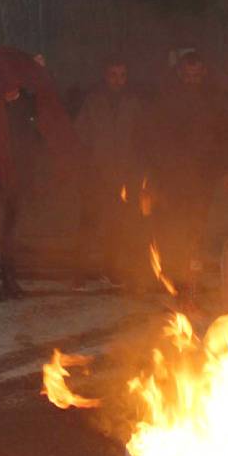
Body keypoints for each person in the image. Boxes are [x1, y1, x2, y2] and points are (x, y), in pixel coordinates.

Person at [0, 47, 78, 301]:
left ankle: (10, 278)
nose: (11, 87)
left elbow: (51, 101)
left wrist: (42, 71)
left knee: (11, 231)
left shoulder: (25, 103)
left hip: (18, 176)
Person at [143, 50, 228, 308]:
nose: (192, 79)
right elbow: (154, 139)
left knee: (196, 232)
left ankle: (191, 281)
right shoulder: (167, 99)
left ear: (203, 73)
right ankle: (178, 279)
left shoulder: (213, 100)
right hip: (173, 179)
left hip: (202, 178)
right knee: (175, 230)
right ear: (180, 73)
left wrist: (226, 171)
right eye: (187, 75)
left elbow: (224, 139)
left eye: (196, 75)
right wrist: (155, 175)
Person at [72, 55, 143, 290]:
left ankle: (110, 270)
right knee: (89, 223)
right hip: (96, 173)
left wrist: (135, 170)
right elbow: (80, 134)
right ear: (105, 76)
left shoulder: (133, 103)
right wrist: (85, 166)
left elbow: (140, 137)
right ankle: (79, 273)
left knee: (116, 225)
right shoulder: (93, 102)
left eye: (122, 75)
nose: (118, 80)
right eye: (113, 75)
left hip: (122, 174)